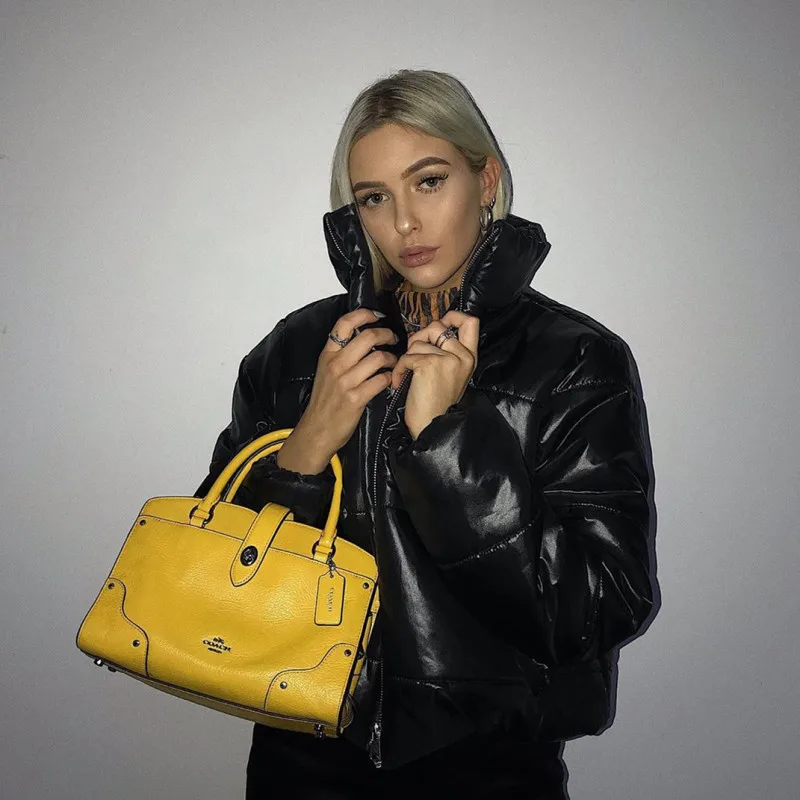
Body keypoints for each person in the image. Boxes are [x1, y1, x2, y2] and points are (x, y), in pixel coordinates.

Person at [194, 68, 657, 799]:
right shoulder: (297, 353)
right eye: (374, 198)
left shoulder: (573, 361)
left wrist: (446, 439)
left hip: (492, 770)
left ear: (486, 180)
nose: (404, 222)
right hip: (301, 757)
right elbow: (216, 589)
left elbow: (598, 609)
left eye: (429, 181)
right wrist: (305, 448)